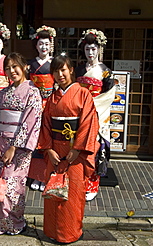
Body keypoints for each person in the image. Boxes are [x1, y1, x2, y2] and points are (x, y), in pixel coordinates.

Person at [38, 55, 99, 244]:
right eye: (56, 71)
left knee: (72, 194)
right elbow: (45, 125)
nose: (60, 74)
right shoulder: (52, 98)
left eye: (63, 69)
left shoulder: (83, 94)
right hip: (55, 151)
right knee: (53, 191)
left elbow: (89, 123)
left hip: (75, 153)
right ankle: (52, 231)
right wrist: (48, 149)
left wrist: (78, 149)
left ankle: (70, 232)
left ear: (71, 70)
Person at [0, 52, 42, 235]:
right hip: (0, 143)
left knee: (13, 187)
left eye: (15, 66)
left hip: (18, 148)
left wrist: (13, 147)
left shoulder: (32, 92)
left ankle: (13, 224)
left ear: (24, 66)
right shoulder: (3, 93)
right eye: (8, 68)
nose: (12, 71)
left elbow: (30, 122)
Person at [75, 29, 115, 201]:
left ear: (99, 49)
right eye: (87, 49)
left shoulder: (106, 71)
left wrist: (90, 108)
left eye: (93, 49)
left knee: (94, 150)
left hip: (97, 113)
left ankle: (92, 185)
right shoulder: (78, 69)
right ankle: (77, 182)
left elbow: (109, 94)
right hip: (79, 112)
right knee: (77, 148)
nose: (90, 53)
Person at [27, 25, 56, 192]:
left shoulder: (54, 63)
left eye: (47, 44)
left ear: (51, 45)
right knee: (35, 141)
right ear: (36, 46)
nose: (44, 47)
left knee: (49, 141)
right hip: (35, 104)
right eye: (41, 44)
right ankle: (35, 175)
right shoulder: (30, 65)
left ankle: (47, 175)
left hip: (50, 104)